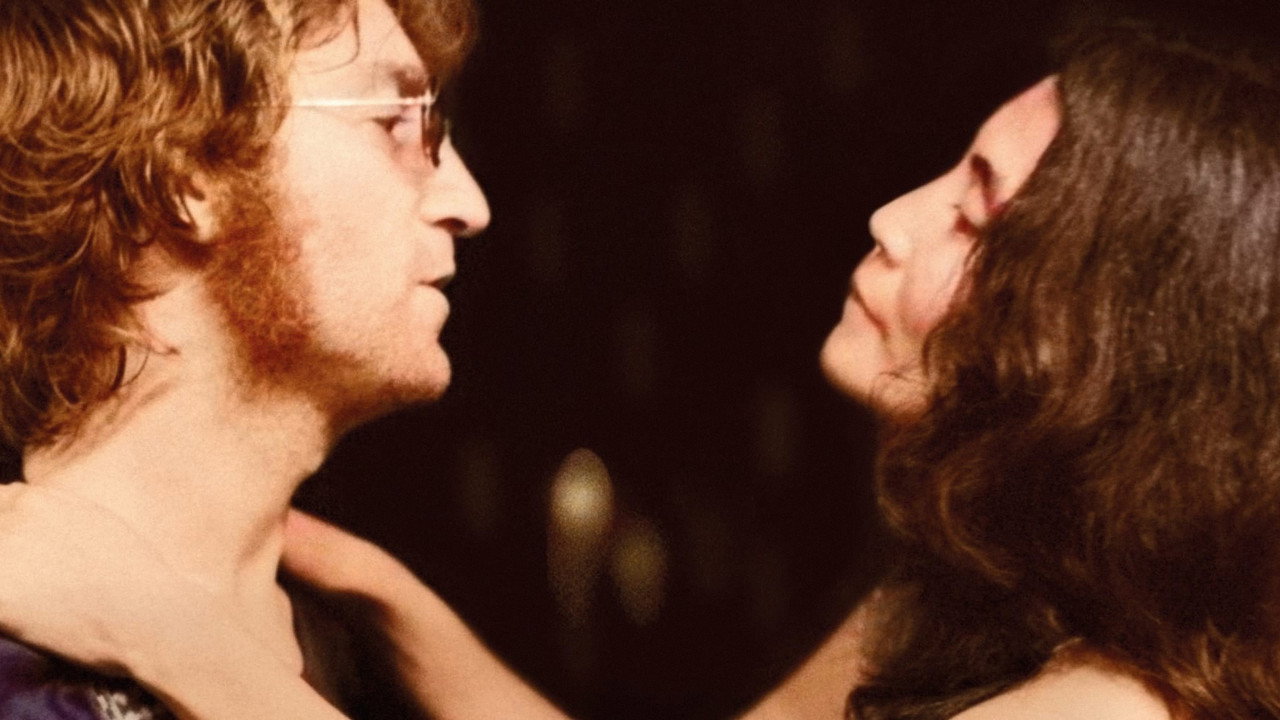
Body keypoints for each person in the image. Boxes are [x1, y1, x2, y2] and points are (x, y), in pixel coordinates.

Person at [1, 10, 1278, 720]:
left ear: (1102, 333)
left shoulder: (1107, 709)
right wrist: (374, 594)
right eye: (397, 122)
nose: (893, 216)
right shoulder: (957, 604)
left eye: (975, 217)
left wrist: (184, 645)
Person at [0, 0, 565, 717]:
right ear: (183, 176)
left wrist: (184, 643)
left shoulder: (361, 659)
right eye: (396, 122)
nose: (469, 202)